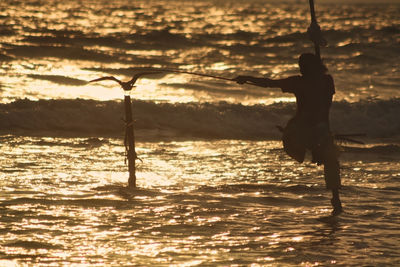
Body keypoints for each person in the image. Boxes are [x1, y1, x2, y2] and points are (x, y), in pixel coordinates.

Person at [234, 53, 343, 216]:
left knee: (330, 160)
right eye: (300, 65)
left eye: (304, 66)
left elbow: (270, 84)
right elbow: (270, 84)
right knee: (327, 156)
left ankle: (336, 200)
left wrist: (246, 78)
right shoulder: (324, 81)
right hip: (305, 127)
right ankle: (335, 197)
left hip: (318, 128)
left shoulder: (317, 82)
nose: (301, 69)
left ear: (312, 66)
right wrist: (247, 78)